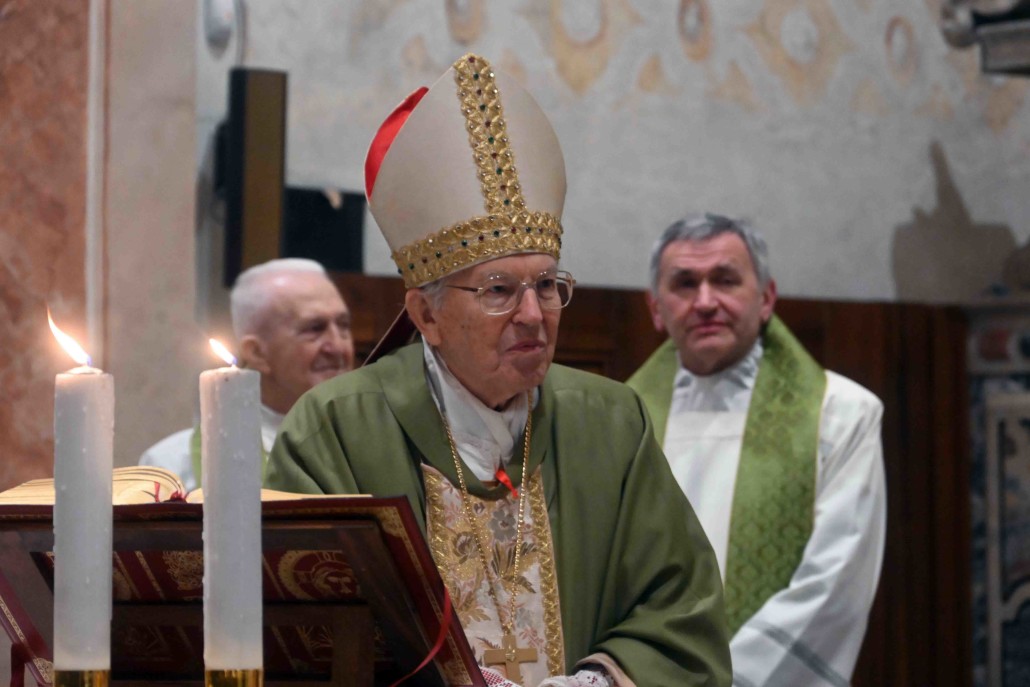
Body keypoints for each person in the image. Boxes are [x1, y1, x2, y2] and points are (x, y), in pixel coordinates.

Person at [266, 54, 731, 686]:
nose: (533, 315)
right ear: (426, 316)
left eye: (547, 285)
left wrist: (595, 683)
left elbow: (683, 609)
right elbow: (304, 638)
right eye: (498, 291)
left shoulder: (613, 422)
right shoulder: (336, 433)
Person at [627, 213, 887, 686]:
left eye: (725, 280)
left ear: (766, 298)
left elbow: (835, 585)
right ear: (656, 309)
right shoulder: (623, 421)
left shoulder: (840, 414)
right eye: (685, 284)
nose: (706, 302)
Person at [139, 258, 354, 490]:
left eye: (343, 325)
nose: (338, 347)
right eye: (314, 329)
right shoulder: (173, 467)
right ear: (257, 352)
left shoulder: (372, 440)